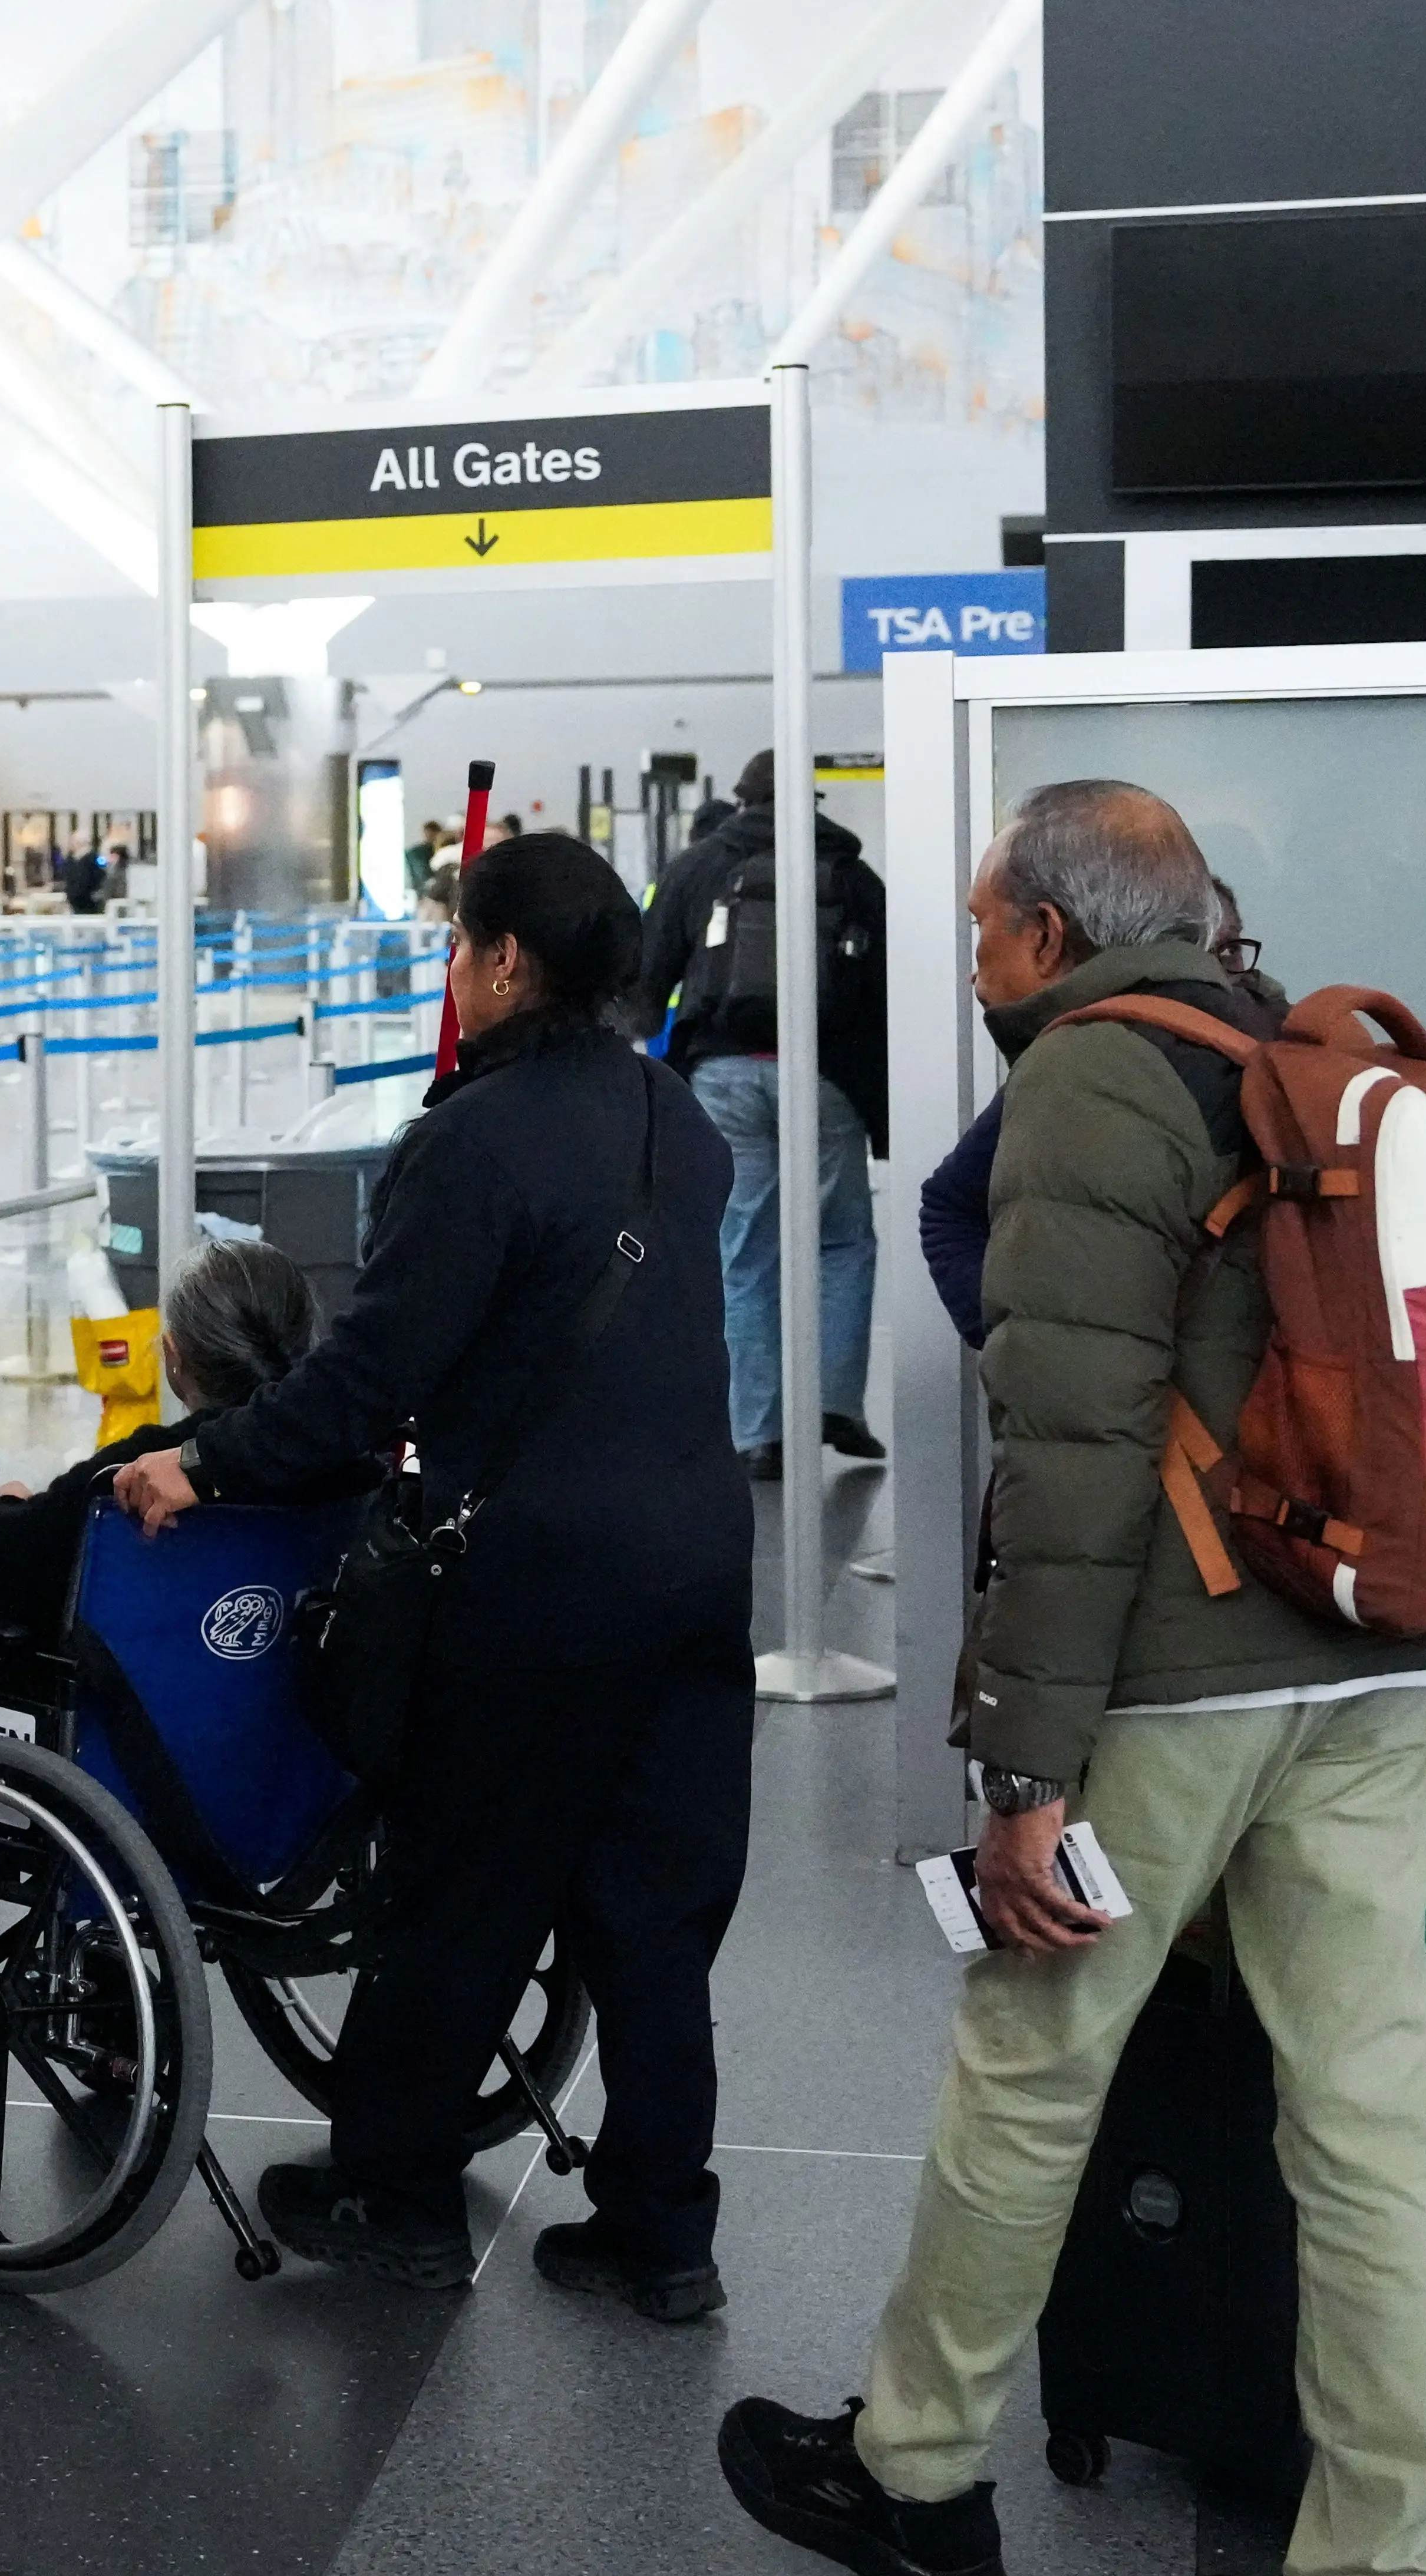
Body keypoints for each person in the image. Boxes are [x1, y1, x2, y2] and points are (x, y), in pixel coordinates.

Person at [722, 780, 1426, 2576]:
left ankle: (913, 2481)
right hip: (1370, 1662)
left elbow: (1072, 1457)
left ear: (1052, 936)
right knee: (1369, 2125)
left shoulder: (1089, 1077)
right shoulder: (1307, 1058)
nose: (973, 966)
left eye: (981, 932)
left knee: (1031, 2071)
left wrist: (1020, 1770)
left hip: (1175, 1680)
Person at [114, 834, 754, 2309]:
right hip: (694, 1556)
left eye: (464, 943)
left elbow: (369, 1377)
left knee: (460, 1888)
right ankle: (665, 2225)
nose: (456, 968)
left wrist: (200, 1462)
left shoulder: (469, 1142)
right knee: (651, 1911)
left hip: (533, 1576)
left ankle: (392, 2190)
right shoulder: (679, 1119)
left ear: (506, 961)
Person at [633, 749, 889, 1478]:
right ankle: (838, 1402)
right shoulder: (851, 873)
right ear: (808, 799)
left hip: (723, 1075)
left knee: (743, 1249)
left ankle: (755, 1433)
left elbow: (646, 979)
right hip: (823, 1075)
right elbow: (883, 992)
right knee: (841, 1239)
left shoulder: (699, 867)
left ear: (741, 799)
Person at [916, 873, 1285, 1346]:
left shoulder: (1282, 1049)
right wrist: (1013, 1328)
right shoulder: (1086, 1059)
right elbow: (949, 1205)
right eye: (1203, 956)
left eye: (1230, 952)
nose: (1215, 978)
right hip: (1137, 1389)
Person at [0, 1236, 322, 1645]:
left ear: (174, 1358)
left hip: (134, 1708)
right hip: (306, 1702)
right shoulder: (347, 1454)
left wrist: (8, 1506)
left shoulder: (139, 1471)